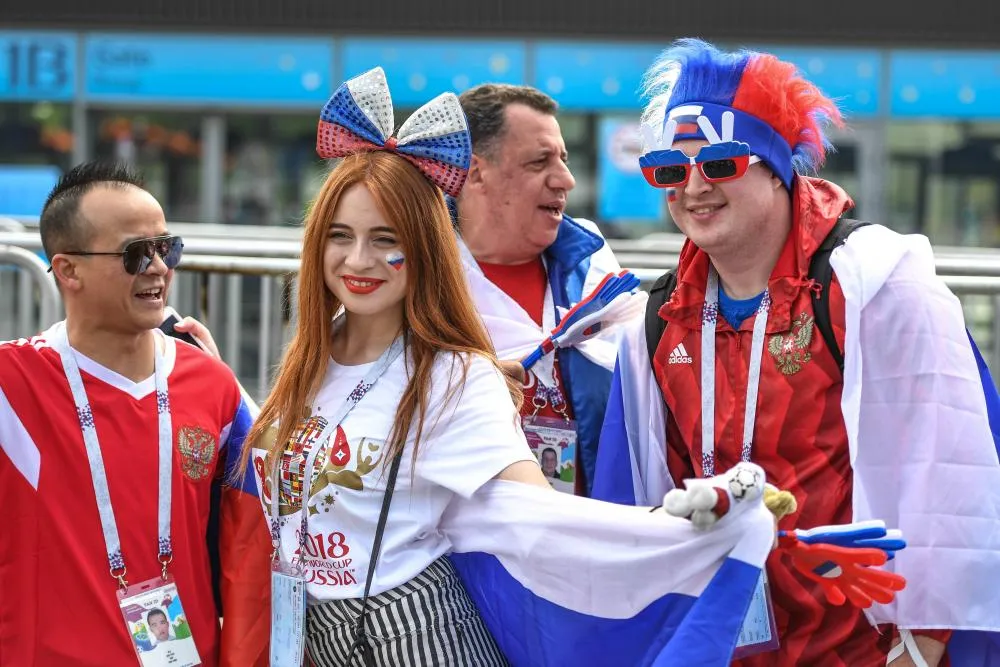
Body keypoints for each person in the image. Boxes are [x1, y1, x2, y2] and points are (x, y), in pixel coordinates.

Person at [237, 66, 842, 667]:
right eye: (340, 236)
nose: (358, 259)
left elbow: (544, 520)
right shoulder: (313, 360)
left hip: (414, 640)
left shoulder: (456, 376)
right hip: (314, 636)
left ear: (424, 248)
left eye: (384, 237)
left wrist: (688, 529)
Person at [593, 38, 1000, 667]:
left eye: (721, 163)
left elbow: (950, 469)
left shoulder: (875, 285)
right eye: (670, 170)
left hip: (863, 644)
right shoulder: (659, 318)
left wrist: (922, 644)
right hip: (720, 639)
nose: (693, 186)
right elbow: (636, 498)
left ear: (779, 167)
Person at [0, 161, 270, 667]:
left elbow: (272, 525)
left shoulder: (213, 383)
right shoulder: (12, 384)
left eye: (166, 248)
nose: (158, 268)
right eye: (134, 254)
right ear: (67, 270)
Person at [452, 83, 630, 495]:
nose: (565, 179)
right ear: (477, 171)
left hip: (584, 528)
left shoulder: (593, 264)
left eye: (564, 160)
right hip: (468, 543)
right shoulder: (417, 277)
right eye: (540, 161)